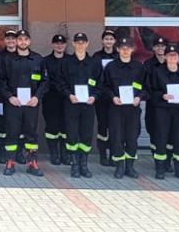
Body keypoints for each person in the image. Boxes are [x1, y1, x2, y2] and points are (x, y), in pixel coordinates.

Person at [0, 29, 47, 176]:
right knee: (12, 132)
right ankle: (10, 162)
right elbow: (1, 81)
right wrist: (10, 97)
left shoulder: (38, 59)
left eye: (25, 39)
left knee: (31, 134)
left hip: (31, 104)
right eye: (20, 39)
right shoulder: (7, 60)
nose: (23, 42)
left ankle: (32, 163)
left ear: (29, 41)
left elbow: (45, 81)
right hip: (13, 104)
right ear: (16, 41)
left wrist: (37, 97)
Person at [99, 37, 146, 179]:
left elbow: (146, 87)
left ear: (133, 49)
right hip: (116, 108)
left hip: (133, 108)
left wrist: (139, 97)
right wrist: (113, 97)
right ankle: (119, 166)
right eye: (123, 48)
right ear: (118, 49)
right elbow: (104, 86)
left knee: (132, 137)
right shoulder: (111, 67)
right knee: (117, 137)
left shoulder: (139, 67)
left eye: (128, 48)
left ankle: (130, 167)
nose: (125, 50)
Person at [147, 44, 179, 180]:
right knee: (161, 139)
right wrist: (162, 95)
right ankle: (160, 168)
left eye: (175, 55)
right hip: (162, 110)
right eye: (170, 55)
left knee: (178, 139)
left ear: (178, 57)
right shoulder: (157, 72)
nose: (172, 58)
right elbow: (150, 90)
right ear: (165, 57)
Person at [57, 32, 98, 178]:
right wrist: (69, 95)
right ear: (73, 44)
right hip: (71, 104)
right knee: (72, 134)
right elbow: (60, 82)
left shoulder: (94, 63)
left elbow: (100, 83)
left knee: (86, 135)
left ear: (87, 44)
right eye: (78, 42)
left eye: (83, 42)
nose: (80, 45)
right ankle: (74, 164)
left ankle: (84, 165)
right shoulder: (66, 62)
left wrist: (94, 96)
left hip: (88, 105)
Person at [91, 29, 118, 167]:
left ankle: (114, 154)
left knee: (114, 127)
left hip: (115, 98)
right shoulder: (96, 56)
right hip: (101, 97)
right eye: (106, 39)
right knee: (102, 126)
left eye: (111, 39)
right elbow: (94, 75)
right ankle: (103, 155)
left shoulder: (118, 56)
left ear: (114, 41)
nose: (108, 41)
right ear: (102, 41)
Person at [42, 34, 69, 165]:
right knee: (52, 127)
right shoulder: (45, 61)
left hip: (67, 99)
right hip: (50, 99)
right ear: (52, 45)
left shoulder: (71, 60)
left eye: (62, 43)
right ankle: (54, 154)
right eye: (57, 43)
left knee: (66, 127)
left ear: (65, 45)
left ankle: (64, 154)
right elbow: (44, 80)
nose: (59, 45)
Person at [0, 30, 18, 164]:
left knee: (18, 124)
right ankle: (3, 152)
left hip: (18, 98)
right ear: (4, 41)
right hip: (0, 97)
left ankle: (18, 153)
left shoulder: (23, 55)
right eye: (8, 39)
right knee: (1, 124)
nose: (10, 41)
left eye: (13, 38)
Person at [142, 35, 168, 168]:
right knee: (153, 130)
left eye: (162, 46)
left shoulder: (171, 63)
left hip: (169, 105)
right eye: (157, 46)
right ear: (153, 48)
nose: (160, 48)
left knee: (168, 133)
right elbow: (145, 84)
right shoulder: (148, 64)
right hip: (153, 104)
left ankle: (167, 161)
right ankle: (157, 158)